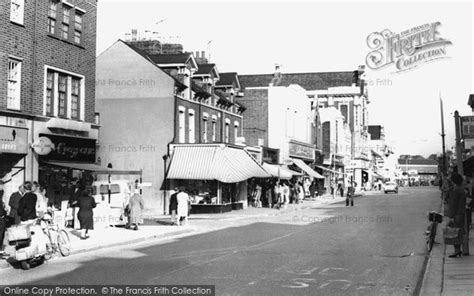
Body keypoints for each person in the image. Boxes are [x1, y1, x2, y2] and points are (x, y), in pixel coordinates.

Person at [447, 173, 467, 258]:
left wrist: (450, 216)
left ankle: (457, 250)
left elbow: (453, 204)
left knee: (454, 233)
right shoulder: (462, 189)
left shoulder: (456, 190)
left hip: (456, 214)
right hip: (461, 213)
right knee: (459, 232)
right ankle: (459, 250)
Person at [0, 181, 7, 256]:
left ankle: (1, 250)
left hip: (2, 215)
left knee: (2, 234)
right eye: (2, 186)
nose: (3, 187)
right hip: (0, 216)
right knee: (1, 233)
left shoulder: (2, 192)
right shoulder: (1, 193)